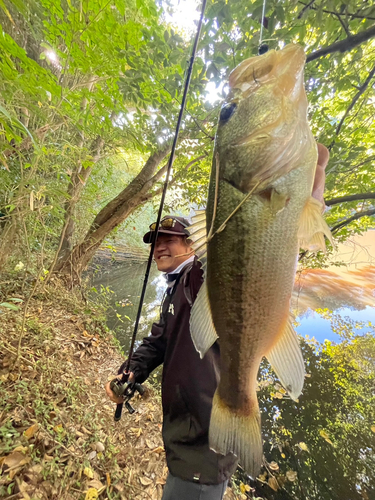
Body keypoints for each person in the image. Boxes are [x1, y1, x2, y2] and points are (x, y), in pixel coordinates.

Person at [105, 146, 330, 500]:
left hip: (206, 444)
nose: (160, 248)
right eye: (155, 243)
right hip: (184, 434)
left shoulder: (199, 275)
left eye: (170, 240)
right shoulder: (177, 287)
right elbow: (160, 340)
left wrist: (306, 201)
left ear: (193, 245)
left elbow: (257, 244)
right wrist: (131, 370)